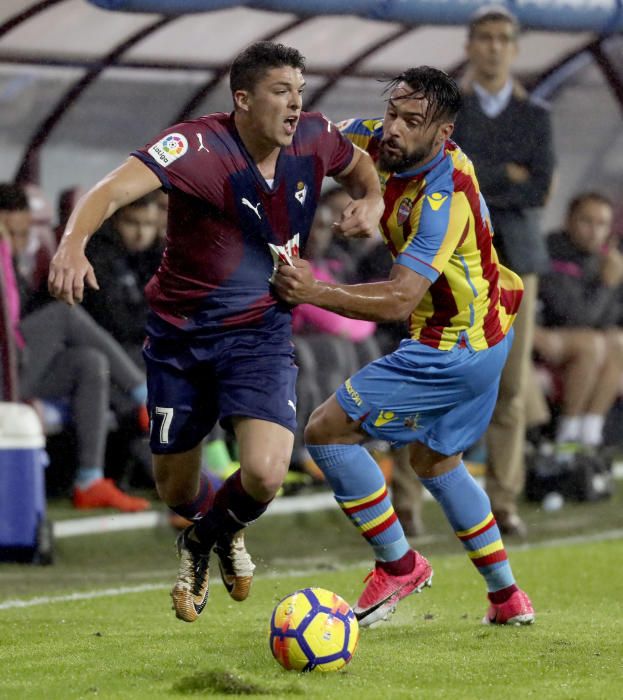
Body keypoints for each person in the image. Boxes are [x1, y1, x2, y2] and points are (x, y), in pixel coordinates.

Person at [48, 41, 383, 623]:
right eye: (282, 92)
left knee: (265, 471)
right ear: (243, 99)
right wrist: (73, 244)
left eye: (300, 93)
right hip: (181, 339)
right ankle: (221, 531)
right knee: (176, 490)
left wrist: (374, 199)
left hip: (261, 332)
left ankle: (199, 543)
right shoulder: (195, 146)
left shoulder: (314, 137)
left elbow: (359, 167)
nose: (295, 105)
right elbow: (107, 192)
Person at [274, 66, 535, 627]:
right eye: (392, 112)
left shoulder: (446, 196)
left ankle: (398, 566)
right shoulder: (381, 138)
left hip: (451, 348)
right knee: (436, 461)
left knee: (325, 430)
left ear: (442, 135)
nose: (393, 128)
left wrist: (314, 291)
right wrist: (365, 191)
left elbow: (398, 299)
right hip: (487, 333)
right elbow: (313, 135)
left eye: (411, 122)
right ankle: (507, 597)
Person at [451, 5, 555, 537]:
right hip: (455, 261)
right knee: (445, 379)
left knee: (512, 388)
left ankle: (503, 503)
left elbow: (538, 189)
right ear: (469, 45)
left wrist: (477, 174)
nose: (493, 47)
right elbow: (446, 175)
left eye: (502, 38)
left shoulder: (536, 115)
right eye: (484, 37)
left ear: (515, 48)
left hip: (517, 262)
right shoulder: (449, 110)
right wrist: (504, 174)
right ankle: (420, 499)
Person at [0, 182, 150, 512]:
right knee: (63, 313)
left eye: (25, 234)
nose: (19, 244)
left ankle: (89, 479)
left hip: (16, 368)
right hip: (4, 371)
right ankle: (145, 399)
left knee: (88, 362)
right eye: (10, 234)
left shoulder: (15, 267)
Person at [534, 192, 623, 449]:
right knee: (591, 343)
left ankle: (590, 431)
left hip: (589, 339)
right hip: (544, 338)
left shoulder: (606, 259)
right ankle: (567, 432)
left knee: (618, 341)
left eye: (602, 224)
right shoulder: (552, 251)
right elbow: (573, 316)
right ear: (568, 220)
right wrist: (607, 285)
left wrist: (609, 283)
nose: (594, 231)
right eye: (586, 221)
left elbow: (609, 320)